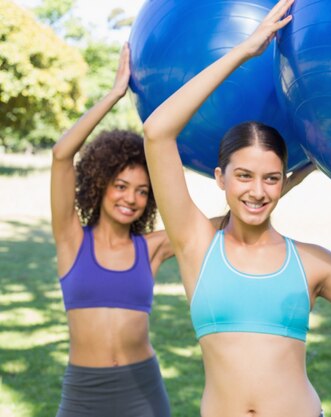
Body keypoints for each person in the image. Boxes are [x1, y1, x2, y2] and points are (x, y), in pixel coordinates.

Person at [142, 1, 331, 416]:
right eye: (243, 176)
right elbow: (157, 131)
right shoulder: (196, 244)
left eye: (270, 178)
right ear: (220, 178)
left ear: (284, 181)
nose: (257, 191)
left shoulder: (313, 263)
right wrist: (245, 50)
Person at [51, 44, 174, 417]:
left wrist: (287, 181)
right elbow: (60, 156)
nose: (130, 199)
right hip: (84, 393)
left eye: (142, 191)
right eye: (121, 185)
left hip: (143, 390)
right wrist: (115, 93)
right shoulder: (72, 239)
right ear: (101, 183)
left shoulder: (151, 248)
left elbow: (229, 218)